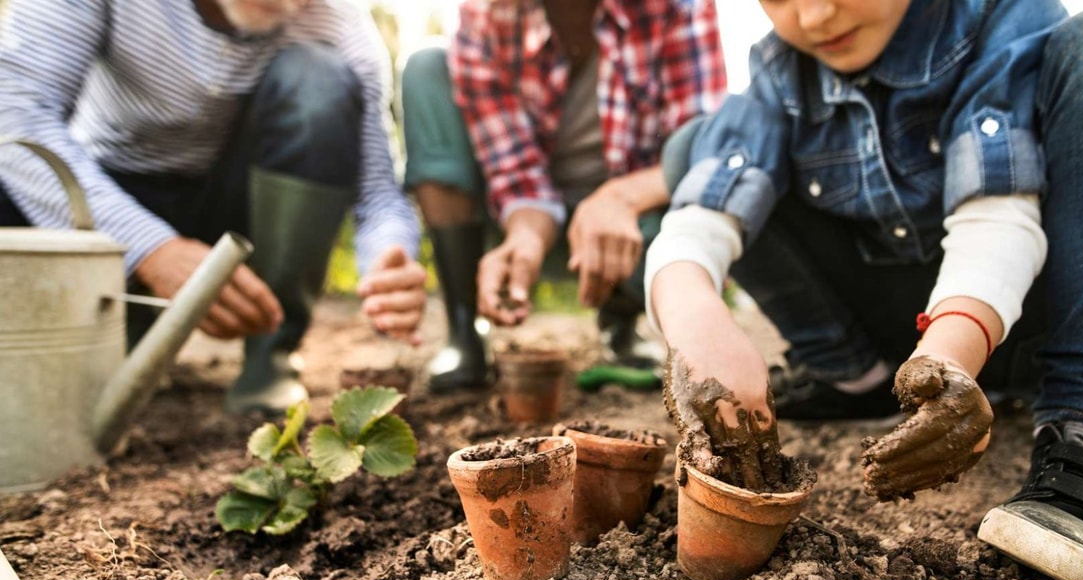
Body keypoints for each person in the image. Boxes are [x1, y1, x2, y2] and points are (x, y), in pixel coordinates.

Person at [649, 0, 1083, 580]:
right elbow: (697, 222)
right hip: (905, 336)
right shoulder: (782, 71)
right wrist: (700, 322)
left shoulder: (1001, 18)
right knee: (695, 150)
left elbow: (998, 219)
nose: (813, 16)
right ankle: (853, 377)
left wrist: (950, 356)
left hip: (1034, 314)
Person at [0, 0, 427, 415]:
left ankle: (271, 356)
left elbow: (377, 194)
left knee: (319, 80)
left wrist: (388, 259)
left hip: (239, 212)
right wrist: (150, 249)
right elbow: (15, 115)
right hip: (110, 200)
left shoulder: (340, 27)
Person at [399, 0, 727, 393]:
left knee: (687, 211)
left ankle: (621, 318)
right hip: (522, 222)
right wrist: (526, 236)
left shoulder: (678, 7)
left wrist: (620, 200)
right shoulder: (485, 14)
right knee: (427, 67)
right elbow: (515, 173)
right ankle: (464, 326)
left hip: (635, 225)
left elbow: (701, 151)